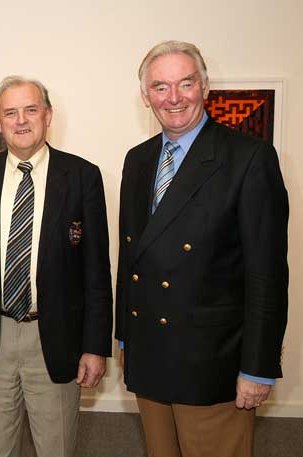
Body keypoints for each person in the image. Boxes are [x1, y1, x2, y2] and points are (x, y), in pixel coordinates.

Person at [115, 40, 289, 457]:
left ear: (205, 87)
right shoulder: (137, 160)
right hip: (150, 356)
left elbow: (267, 274)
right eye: (160, 87)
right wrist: (125, 339)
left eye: (185, 83)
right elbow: (130, 257)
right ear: (145, 96)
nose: (173, 98)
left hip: (213, 365)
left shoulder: (248, 158)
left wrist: (258, 368)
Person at [0, 76, 113, 457]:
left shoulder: (83, 176)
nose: (21, 120)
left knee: (57, 448)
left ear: (48, 115)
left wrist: (94, 346)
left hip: (56, 338)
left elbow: (96, 271)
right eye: (11, 112)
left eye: (31, 110)